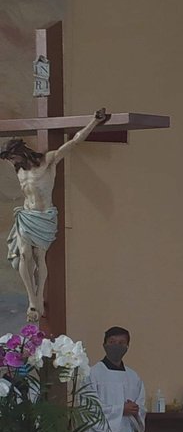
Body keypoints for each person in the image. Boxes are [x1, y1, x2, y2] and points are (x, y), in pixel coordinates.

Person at [2, 109, 109, 323]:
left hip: (43, 217)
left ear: (20, 151)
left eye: (12, 157)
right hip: (26, 215)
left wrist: (93, 122)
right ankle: (32, 300)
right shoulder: (18, 169)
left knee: (39, 256)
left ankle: (39, 296)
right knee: (24, 254)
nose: (11, 161)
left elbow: (74, 143)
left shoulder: (48, 160)